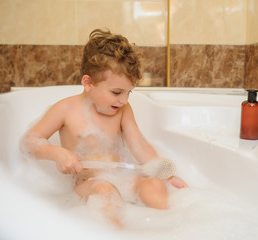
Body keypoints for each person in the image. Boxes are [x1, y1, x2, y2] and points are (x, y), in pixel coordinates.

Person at [20, 29, 188, 226]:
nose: (124, 100)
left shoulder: (122, 110)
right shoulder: (65, 109)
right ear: (88, 82)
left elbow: (139, 145)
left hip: (124, 178)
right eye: (117, 92)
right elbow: (29, 141)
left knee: (154, 186)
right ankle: (116, 233)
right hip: (88, 185)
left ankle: (169, 230)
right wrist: (57, 153)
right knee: (105, 192)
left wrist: (164, 174)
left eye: (129, 92)